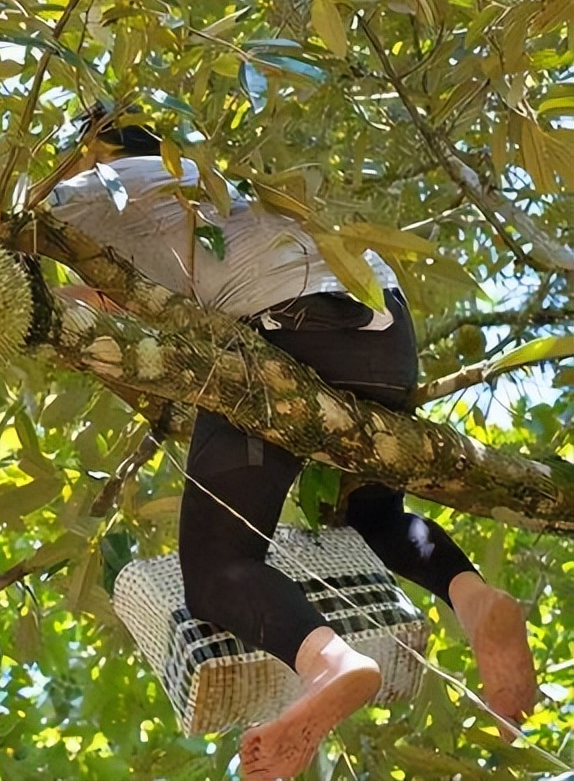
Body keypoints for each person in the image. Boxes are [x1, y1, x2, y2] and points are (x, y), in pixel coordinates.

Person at [48, 107, 539, 780]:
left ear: (92, 150)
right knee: (369, 518)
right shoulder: (204, 184)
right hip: (385, 337)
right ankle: (475, 600)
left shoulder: (81, 195)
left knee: (217, 571)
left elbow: (11, 266)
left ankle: (331, 664)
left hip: (290, 333)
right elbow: (120, 303)